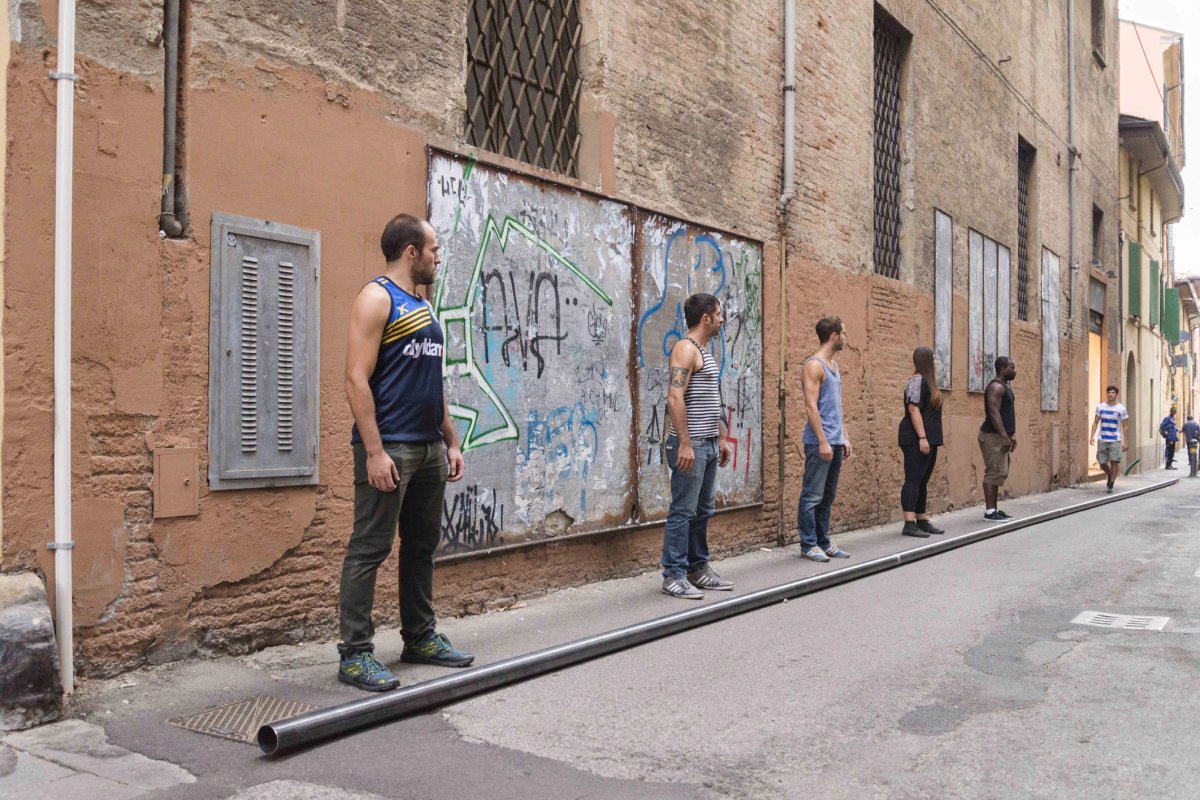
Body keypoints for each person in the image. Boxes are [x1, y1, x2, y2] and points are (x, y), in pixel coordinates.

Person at [337, 213, 472, 692]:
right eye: (434, 249)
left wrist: (450, 441)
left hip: (429, 447)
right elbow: (355, 379)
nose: (438, 258)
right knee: (369, 548)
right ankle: (355, 654)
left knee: (420, 548)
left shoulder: (424, 306)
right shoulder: (377, 299)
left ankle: (420, 637)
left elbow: (432, 383)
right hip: (390, 446)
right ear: (411, 251)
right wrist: (374, 452)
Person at [660, 293, 734, 599]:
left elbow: (709, 400)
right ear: (706, 318)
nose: (721, 319)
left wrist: (721, 437)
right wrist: (685, 444)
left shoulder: (705, 352)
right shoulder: (685, 349)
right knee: (683, 511)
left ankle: (697, 568)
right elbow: (674, 397)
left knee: (703, 510)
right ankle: (673, 575)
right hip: (691, 445)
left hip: (709, 443)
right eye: (718, 314)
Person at [797, 316, 853, 562]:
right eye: (844, 333)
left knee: (827, 496)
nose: (846, 338)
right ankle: (808, 544)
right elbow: (811, 406)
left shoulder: (834, 366)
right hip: (819, 442)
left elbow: (836, 406)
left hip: (835, 441)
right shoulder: (814, 365)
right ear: (834, 336)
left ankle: (823, 541)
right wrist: (822, 441)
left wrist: (844, 437)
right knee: (812, 495)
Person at [898, 347, 945, 537]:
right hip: (915, 438)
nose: (936, 362)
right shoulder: (916, 381)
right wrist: (922, 437)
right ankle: (909, 524)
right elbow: (913, 409)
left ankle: (922, 520)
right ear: (926, 361)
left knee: (922, 480)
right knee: (913, 479)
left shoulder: (929, 383)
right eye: (933, 358)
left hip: (930, 439)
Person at [979, 356, 1017, 521]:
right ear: (1002, 369)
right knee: (993, 473)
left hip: (1000, 436)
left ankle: (994, 508)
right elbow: (994, 413)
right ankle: (989, 512)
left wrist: (1011, 435)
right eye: (1012, 367)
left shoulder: (1005, 387)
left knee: (999, 473)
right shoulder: (996, 387)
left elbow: (1006, 414)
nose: (1015, 371)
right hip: (992, 436)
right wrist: (1003, 436)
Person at [1088, 385, 1129, 494]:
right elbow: (1095, 422)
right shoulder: (1101, 407)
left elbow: (1125, 426)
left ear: (1116, 394)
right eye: (1109, 393)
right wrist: (1092, 436)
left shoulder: (1121, 409)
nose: (1110, 395)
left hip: (1115, 439)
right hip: (1102, 438)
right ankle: (1110, 474)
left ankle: (1111, 483)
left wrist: (1126, 442)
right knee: (1102, 462)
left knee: (1114, 462)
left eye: (1113, 393)